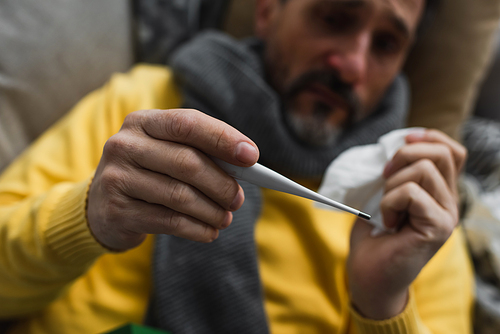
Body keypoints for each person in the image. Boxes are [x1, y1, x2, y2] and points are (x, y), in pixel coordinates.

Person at [0, 0, 473, 333]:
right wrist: (87, 217)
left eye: (387, 44)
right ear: (268, 11)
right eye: (333, 17)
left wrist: (383, 305)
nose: (351, 64)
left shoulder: (417, 213)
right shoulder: (141, 107)